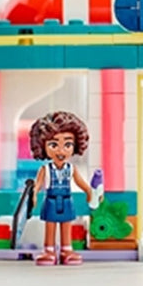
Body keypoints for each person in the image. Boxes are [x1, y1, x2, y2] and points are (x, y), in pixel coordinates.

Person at [29, 111, 94, 266]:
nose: (61, 151)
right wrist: (34, 194)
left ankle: (66, 250)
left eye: (68, 145)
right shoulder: (45, 169)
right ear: (43, 146)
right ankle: (49, 250)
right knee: (50, 225)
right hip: (51, 200)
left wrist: (88, 191)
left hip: (66, 200)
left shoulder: (71, 169)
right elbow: (38, 184)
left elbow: (80, 182)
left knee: (66, 225)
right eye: (53, 145)